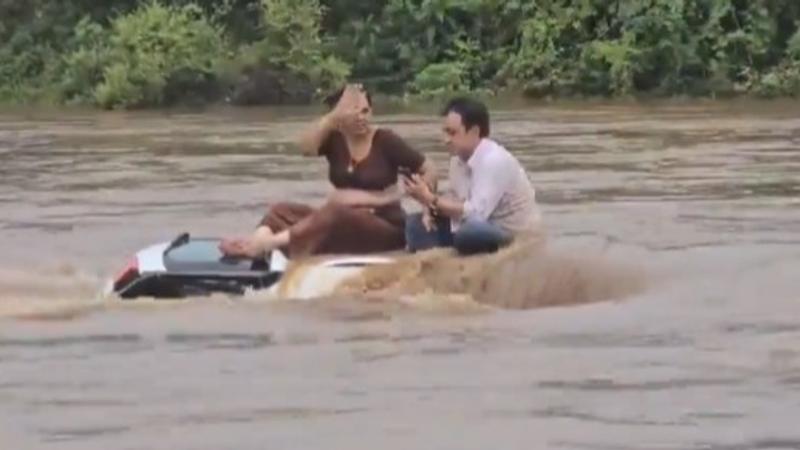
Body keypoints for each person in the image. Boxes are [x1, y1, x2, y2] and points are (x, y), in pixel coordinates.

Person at [219, 83, 436, 259]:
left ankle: (268, 244)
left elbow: (429, 169)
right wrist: (331, 119)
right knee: (280, 210)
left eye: (365, 111)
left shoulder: (386, 140)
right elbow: (305, 147)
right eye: (353, 112)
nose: (361, 117)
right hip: (337, 221)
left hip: (384, 227)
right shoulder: (334, 139)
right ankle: (257, 243)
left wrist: (423, 202)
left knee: (335, 212)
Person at [402, 96, 544, 255]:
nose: (446, 140)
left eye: (452, 133)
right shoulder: (457, 160)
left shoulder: (493, 160)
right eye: (445, 132)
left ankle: (459, 258)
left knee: (470, 231)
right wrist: (428, 207)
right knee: (415, 224)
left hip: (511, 234)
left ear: (474, 132)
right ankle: (440, 262)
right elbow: (456, 200)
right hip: (478, 228)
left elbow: (476, 214)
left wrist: (430, 199)